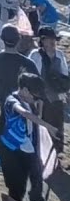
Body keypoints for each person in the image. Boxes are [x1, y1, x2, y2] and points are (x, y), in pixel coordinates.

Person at [0, 74, 60, 201]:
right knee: (17, 187)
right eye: (33, 94)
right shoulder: (12, 101)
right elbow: (25, 114)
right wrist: (49, 127)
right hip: (12, 150)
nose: (35, 97)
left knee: (20, 185)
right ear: (24, 89)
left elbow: (34, 117)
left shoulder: (30, 100)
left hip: (27, 149)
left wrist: (38, 105)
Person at [29, 27, 68, 158]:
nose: (53, 42)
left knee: (57, 124)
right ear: (43, 40)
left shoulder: (60, 55)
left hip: (57, 97)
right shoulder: (35, 55)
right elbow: (31, 76)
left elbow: (65, 75)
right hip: (41, 97)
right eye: (50, 39)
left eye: (54, 39)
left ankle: (56, 151)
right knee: (42, 125)